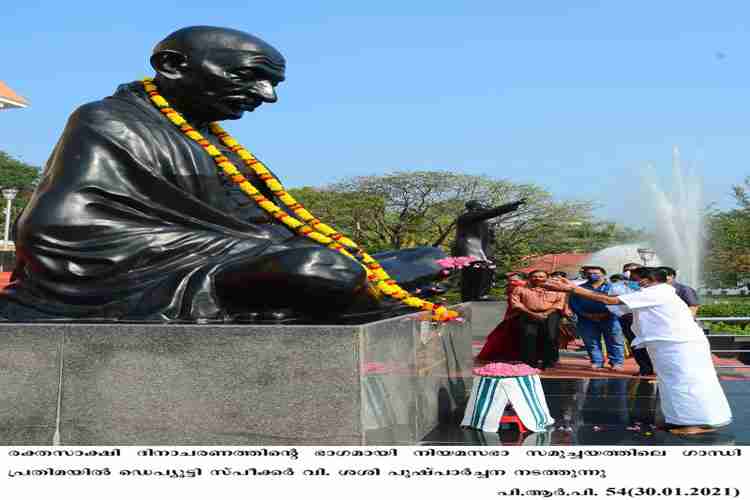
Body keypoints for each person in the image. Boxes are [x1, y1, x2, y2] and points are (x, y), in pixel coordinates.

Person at [0, 26, 449, 323]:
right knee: (320, 269)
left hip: (234, 258)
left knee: (426, 255)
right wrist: (261, 248)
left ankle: (363, 285)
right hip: (154, 276)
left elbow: (270, 221)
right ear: (173, 66)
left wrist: (270, 247)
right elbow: (57, 232)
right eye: (250, 77)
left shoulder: (210, 137)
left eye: (273, 83)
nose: (266, 96)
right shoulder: (108, 121)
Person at [543, 267, 732, 435]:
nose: (639, 281)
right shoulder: (651, 293)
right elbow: (619, 307)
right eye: (637, 278)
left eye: (644, 278)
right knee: (671, 384)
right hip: (667, 345)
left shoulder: (659, 292)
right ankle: (680, 420)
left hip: (680, 345)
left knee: (686, 382)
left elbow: (610, 299)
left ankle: (699, 422)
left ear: (659, 280)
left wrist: (573, 289)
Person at [451, 200, 525, 301]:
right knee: (477, 272)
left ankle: (475, 295)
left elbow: (489, 237)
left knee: (484, 271)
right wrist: (509, 206)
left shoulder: (482, 221)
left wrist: (491, 238)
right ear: (475, 208)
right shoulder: (467, 216)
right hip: (472, 249)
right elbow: (490, 213)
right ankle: (478, 295)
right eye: (481, 206)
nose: (484, 208)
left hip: (482, 249)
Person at [568, 266, 626, 371]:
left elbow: (619, 303)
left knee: (615, 340)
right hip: (586, 319)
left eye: (595, 273)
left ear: (603, 274)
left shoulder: (613, 287)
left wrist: (607, 313)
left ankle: (616, 362)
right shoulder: (579, 288)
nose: (592, 275)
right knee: (591, 341)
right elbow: (573, 304)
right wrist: (586, 314)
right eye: (589, 273)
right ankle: (597, 362)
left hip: (610, 318)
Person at [509, 270, 568, 369]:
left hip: (551, 314)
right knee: (528, 337)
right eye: (535, 276)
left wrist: (545, 313)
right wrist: (532, 314)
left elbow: (559, 303)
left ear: (547, 278)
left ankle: (549, 361)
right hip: (527, 313)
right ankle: (529, 363)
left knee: (551, 337)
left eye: (541, 276)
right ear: (529, 278)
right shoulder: (519, 289)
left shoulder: (557, 289)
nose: (538, 279)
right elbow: (516, 304)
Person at [617, 263, 654, 376]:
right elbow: (611, 303)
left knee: (654, 345)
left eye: (634, 271)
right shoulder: (617, 286)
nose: (630, 273)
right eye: (627, 271)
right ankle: (644, 368)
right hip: (627, 319)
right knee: (636, 344)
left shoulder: (651, 286)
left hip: (649, 319)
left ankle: (660, 368)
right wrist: (622, 314)